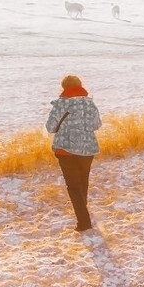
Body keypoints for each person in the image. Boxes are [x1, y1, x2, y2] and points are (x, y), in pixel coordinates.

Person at [45, 74, 102, 232]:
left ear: (64, 87)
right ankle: (83, 215)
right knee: (83, 182)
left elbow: (50, 128)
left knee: (73, 187)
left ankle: (84, 222)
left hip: (66, 150)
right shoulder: (90, 104)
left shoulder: (61, 104)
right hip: (88, 149)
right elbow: (97, 125)